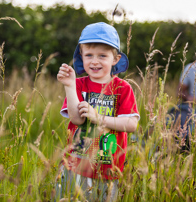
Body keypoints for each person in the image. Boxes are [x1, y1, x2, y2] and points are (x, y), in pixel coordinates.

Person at [56, 22, 140, 201]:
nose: (94, 61)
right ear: (81, 56)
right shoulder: (79, 84)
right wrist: (70, 86)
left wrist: (98, 118)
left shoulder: (123, 88)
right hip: (75, 164)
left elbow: (131, 124)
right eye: (89, 55)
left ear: (115, 59)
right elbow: (77, 120)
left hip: (107, 169)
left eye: (102, 55)